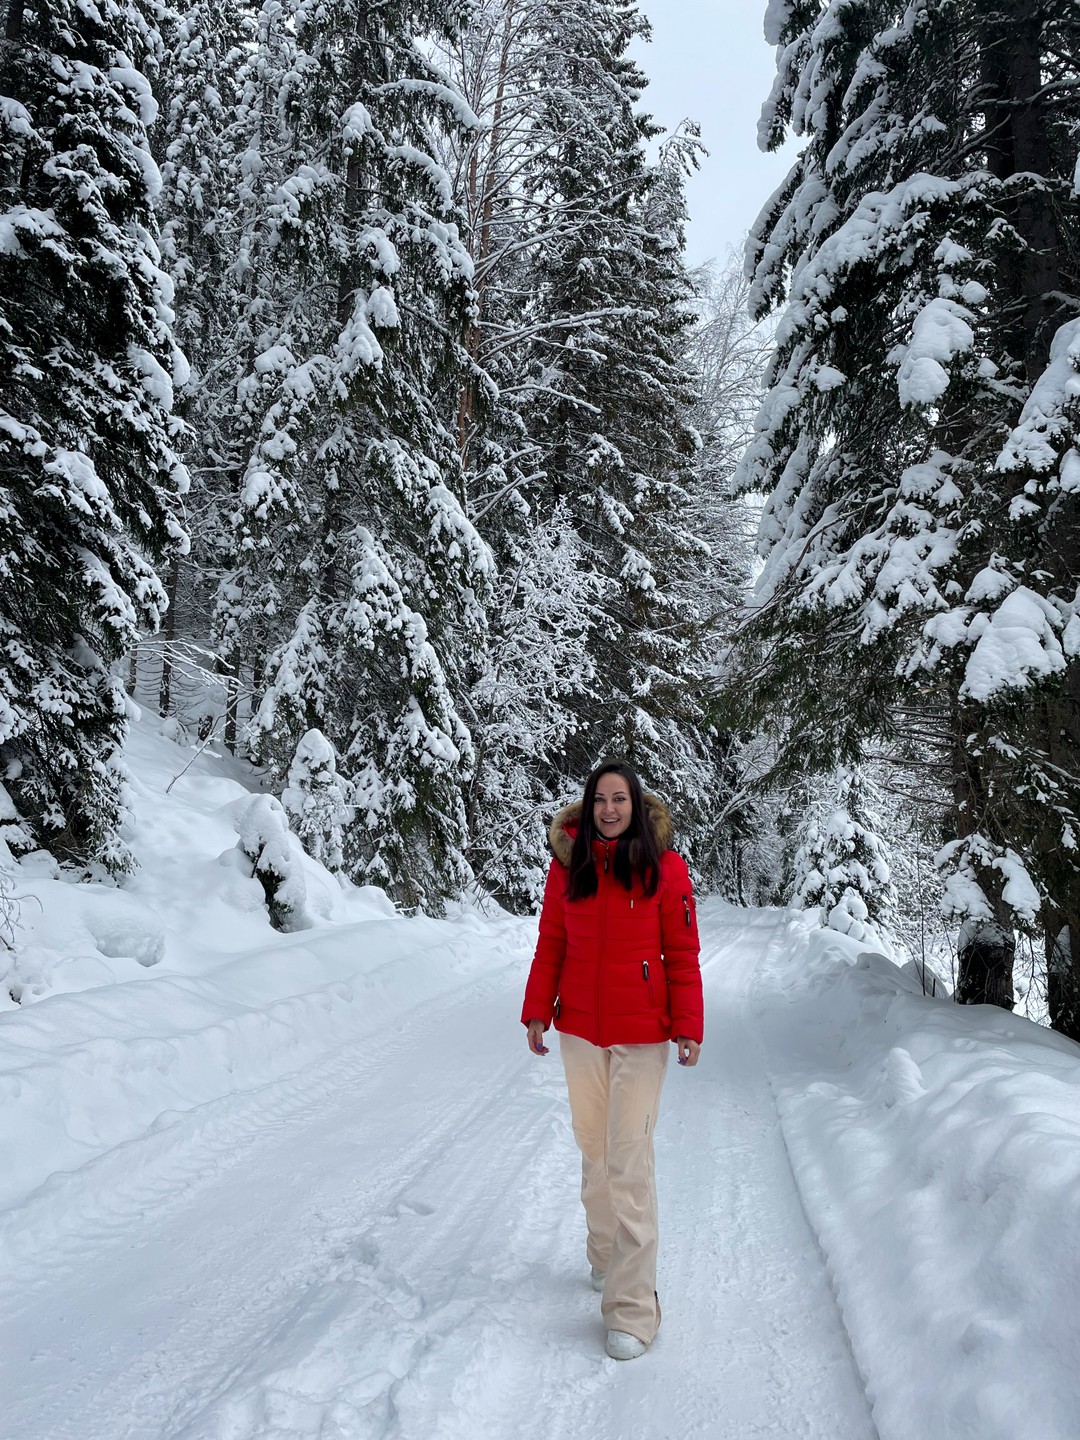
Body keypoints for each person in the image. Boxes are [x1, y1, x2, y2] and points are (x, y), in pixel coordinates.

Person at [521, 759, 703, 1361]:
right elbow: (552, 940)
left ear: (635, 806)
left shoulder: (665, 869)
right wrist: (537, 1010)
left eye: (619, 799)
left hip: (643, 1036)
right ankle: (607, 1254)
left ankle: (633, 1306)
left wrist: (688, 1026)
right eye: (600, 799)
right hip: (578, 1030)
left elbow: (681, 952)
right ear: (587, 804)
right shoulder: (567, 867)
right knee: (594, 1148)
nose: (608, 810)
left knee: (628, 1159)